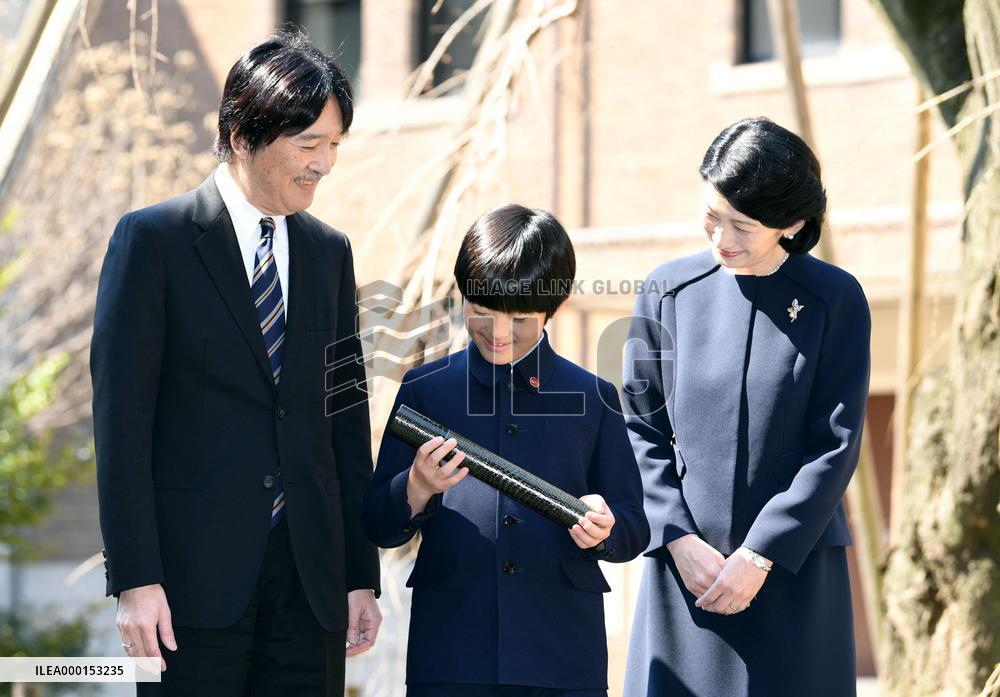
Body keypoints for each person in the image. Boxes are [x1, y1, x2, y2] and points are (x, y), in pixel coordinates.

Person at [91, 32, 381, 696]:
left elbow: (345, 421)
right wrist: (136, 579)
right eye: (309, 144)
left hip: (310, 584)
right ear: (243, 133)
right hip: (188, 588)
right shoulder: (152, 242)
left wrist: (359, 573)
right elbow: (121, 425)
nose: (325, 164)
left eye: (334, 145)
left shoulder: (330, 253)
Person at [622, 117, 870, 697]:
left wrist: (760, 555)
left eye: (743, 225)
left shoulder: (836, 299)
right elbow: (639, 425)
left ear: (793, 225)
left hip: (792, 573)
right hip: (687, 576)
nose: (720, 238)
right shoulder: (667, 290)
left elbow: (835, 444)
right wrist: (677, 538)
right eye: (712, 214)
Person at [363, 204, 650, 697]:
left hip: (562, 653)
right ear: (462, 298)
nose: (498, 333)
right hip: (451, 650)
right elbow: (378, 524)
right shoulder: (426, 390)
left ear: (553, 308)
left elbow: (633, 526)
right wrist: (416, 487)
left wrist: (608, 528)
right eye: (482, 312)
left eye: (519, 319)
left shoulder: (594, 398)